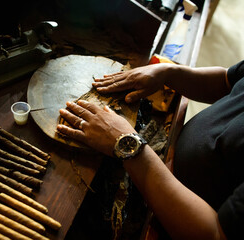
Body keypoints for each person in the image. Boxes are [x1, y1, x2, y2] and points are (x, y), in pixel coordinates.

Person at [56, 60, 244, 239]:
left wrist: (128, 145)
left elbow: (215, 234)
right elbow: (227, 80)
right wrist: (168, 73)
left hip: (174, 222)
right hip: (167, 169)